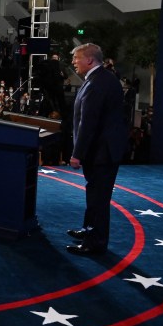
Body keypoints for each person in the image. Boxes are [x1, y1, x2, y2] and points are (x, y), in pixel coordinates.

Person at [67, 43, 129, 256]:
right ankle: (88, 231)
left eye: (77, 58)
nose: (74, 62)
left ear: (90, 60)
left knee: (98, 199)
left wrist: (77, 154)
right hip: (100, 151)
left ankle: (95, 242)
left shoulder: (98, 83)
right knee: (94, 195)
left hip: (102, 153)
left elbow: (88, 122)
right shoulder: (98, 78)